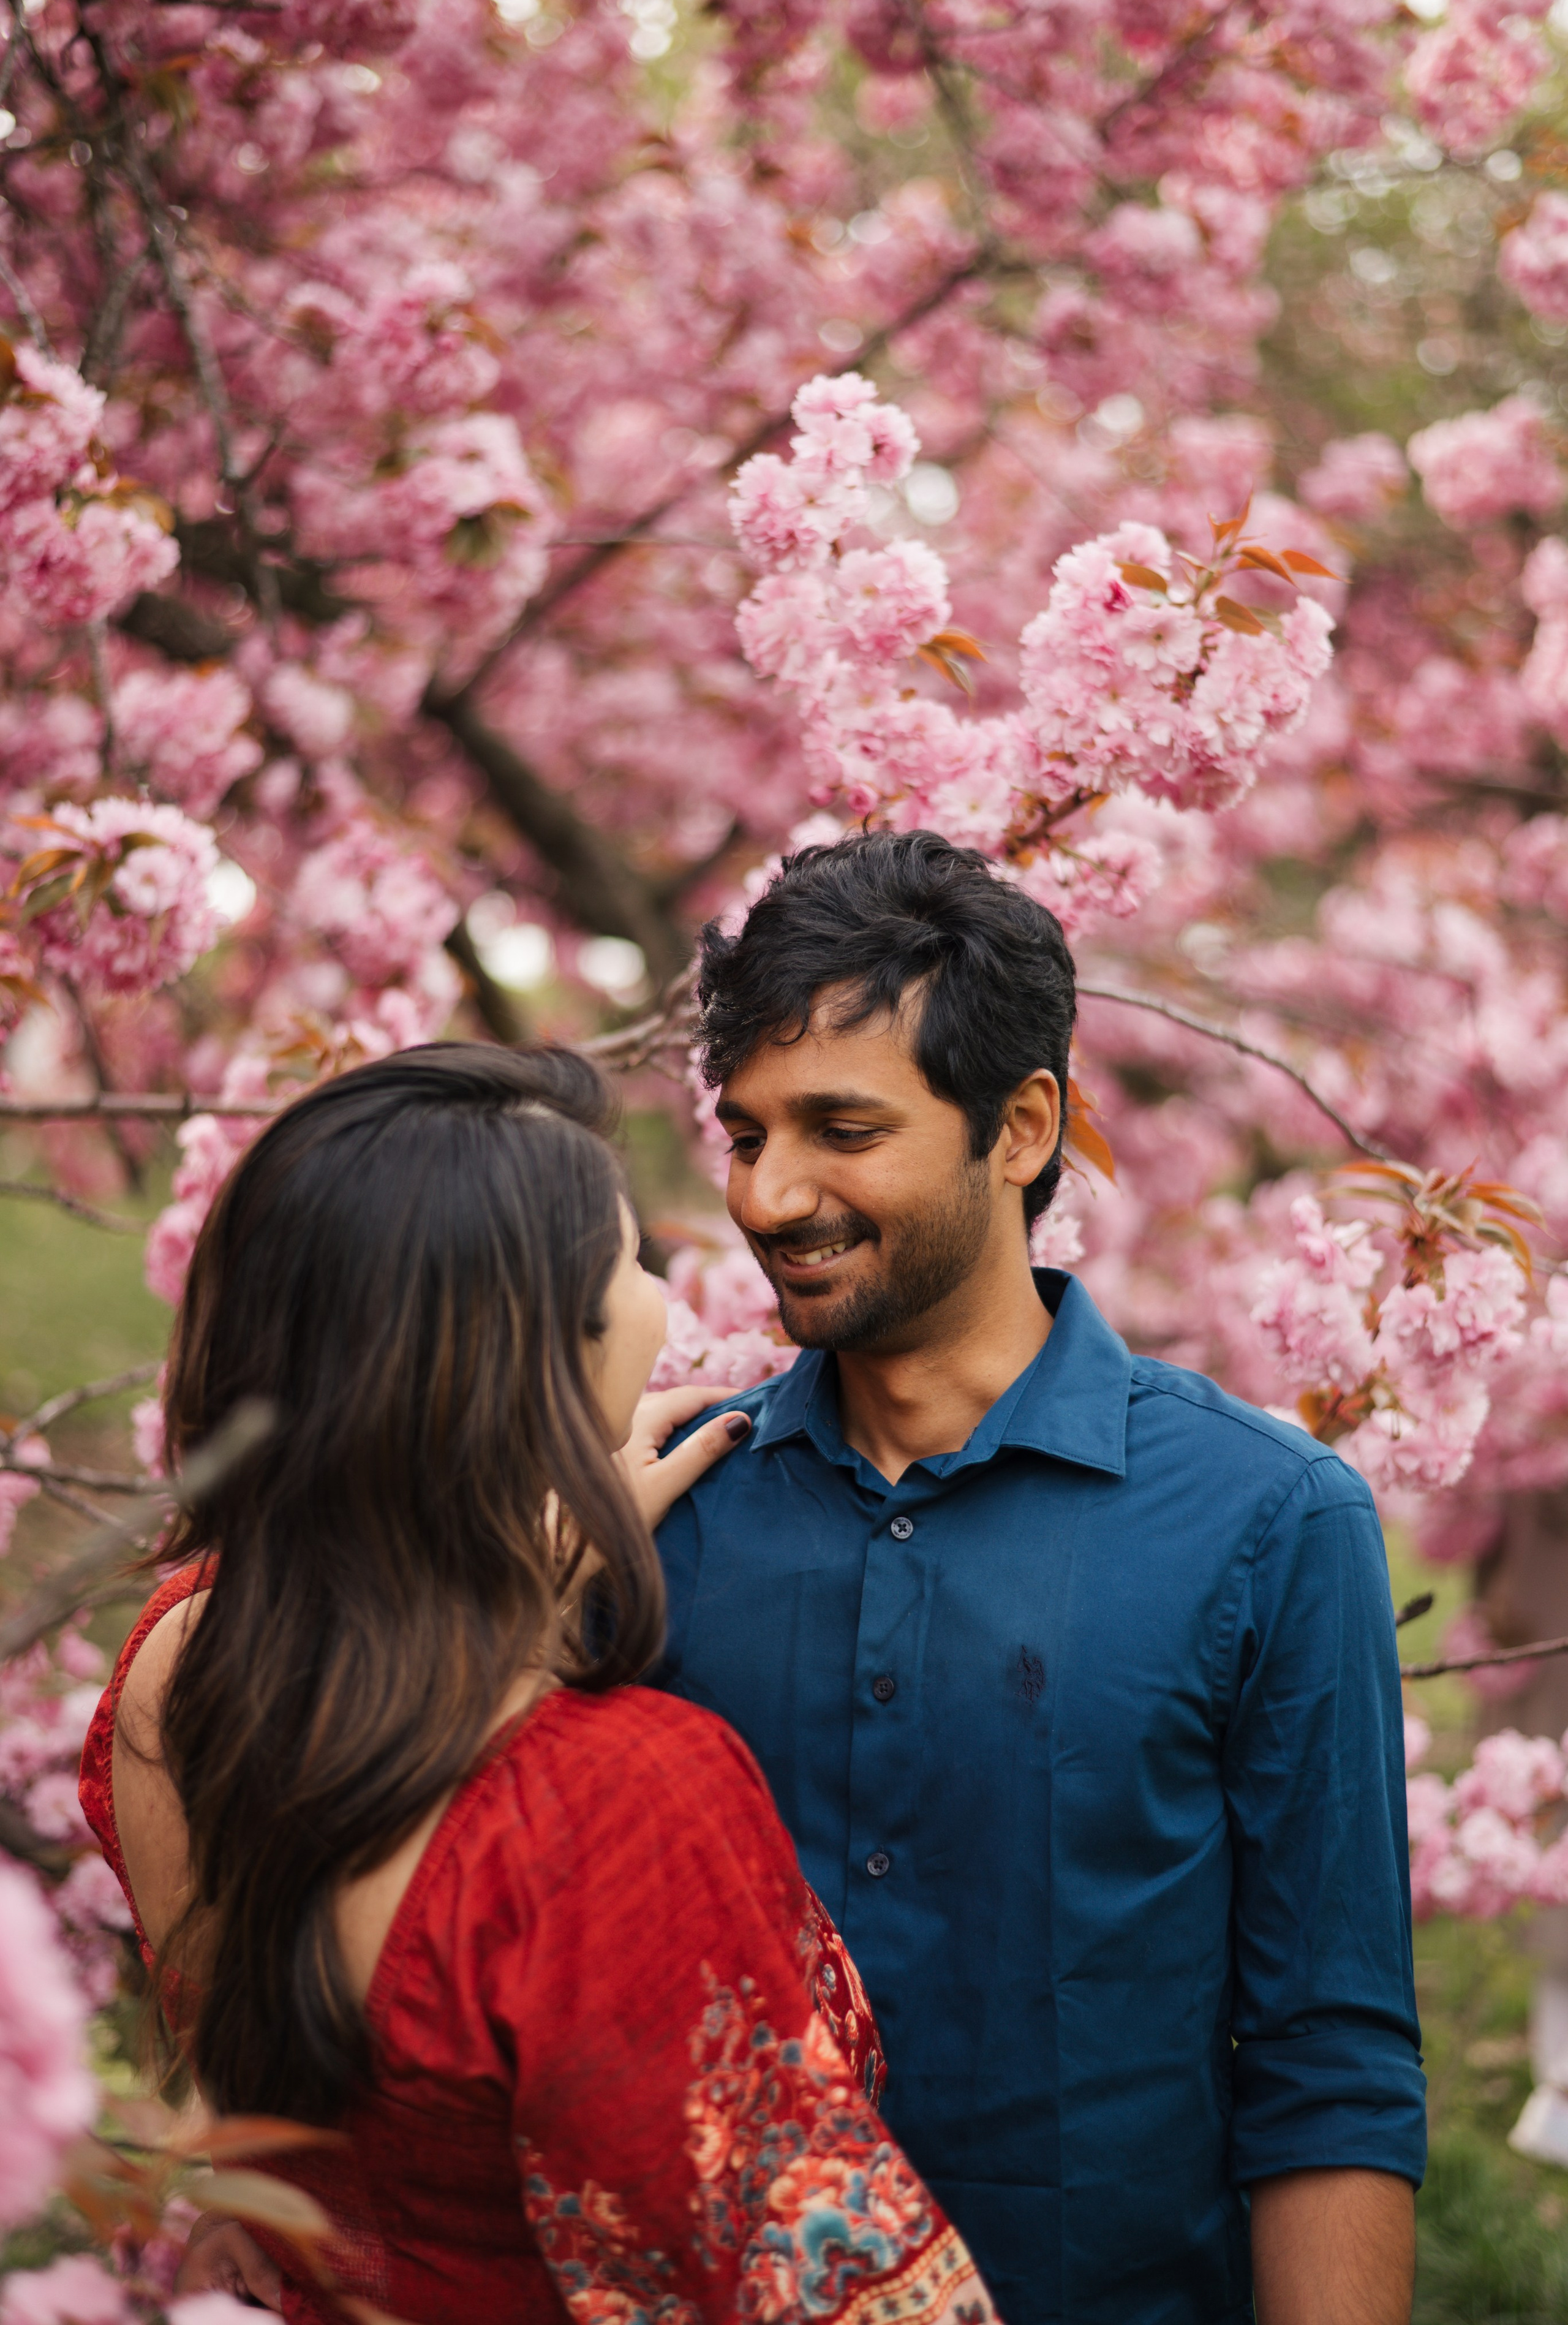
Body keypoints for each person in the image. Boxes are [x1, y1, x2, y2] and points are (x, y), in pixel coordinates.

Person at [78, 1043, 1001, 2325]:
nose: (662, 1301)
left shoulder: (179, 1673)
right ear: (529, 1360)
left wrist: (516, 1579)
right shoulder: (610, 1806)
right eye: (626, 1263)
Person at [652, 830, 1426, 2325]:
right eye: (746, 1136)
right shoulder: (673, 1507)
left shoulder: (1268, 1521)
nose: (765, 1195)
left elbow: (1327, 2063)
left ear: (1019, 1128)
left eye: (840, 1128)